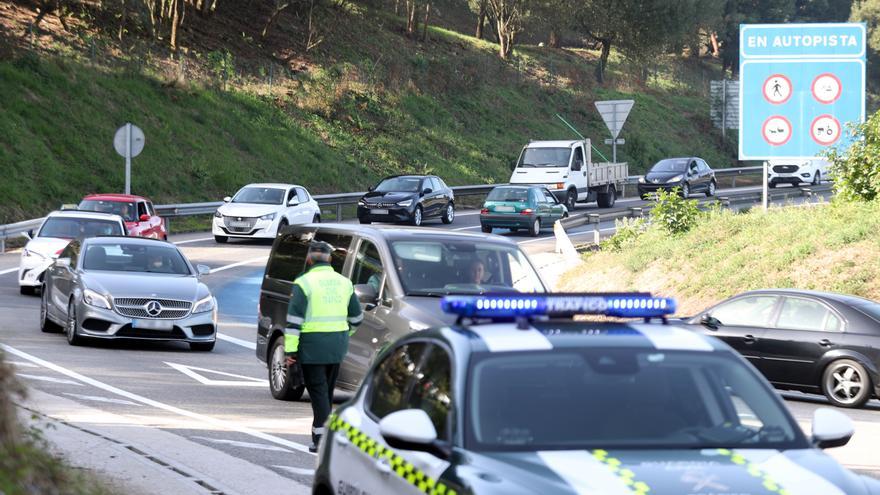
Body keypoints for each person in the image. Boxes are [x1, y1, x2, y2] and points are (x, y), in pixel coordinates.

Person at [285, 240, 363, 452]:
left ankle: (323, 438)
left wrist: (290, 351)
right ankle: (320, 433)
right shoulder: (344, 282)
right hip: (337, 345)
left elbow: (293, 321)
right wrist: (345, 333)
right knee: (326, 392)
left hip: (312, 347)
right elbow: (357, 318)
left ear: (309, 259)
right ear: (330, 259)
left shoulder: (304, 282)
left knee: (318, 393)